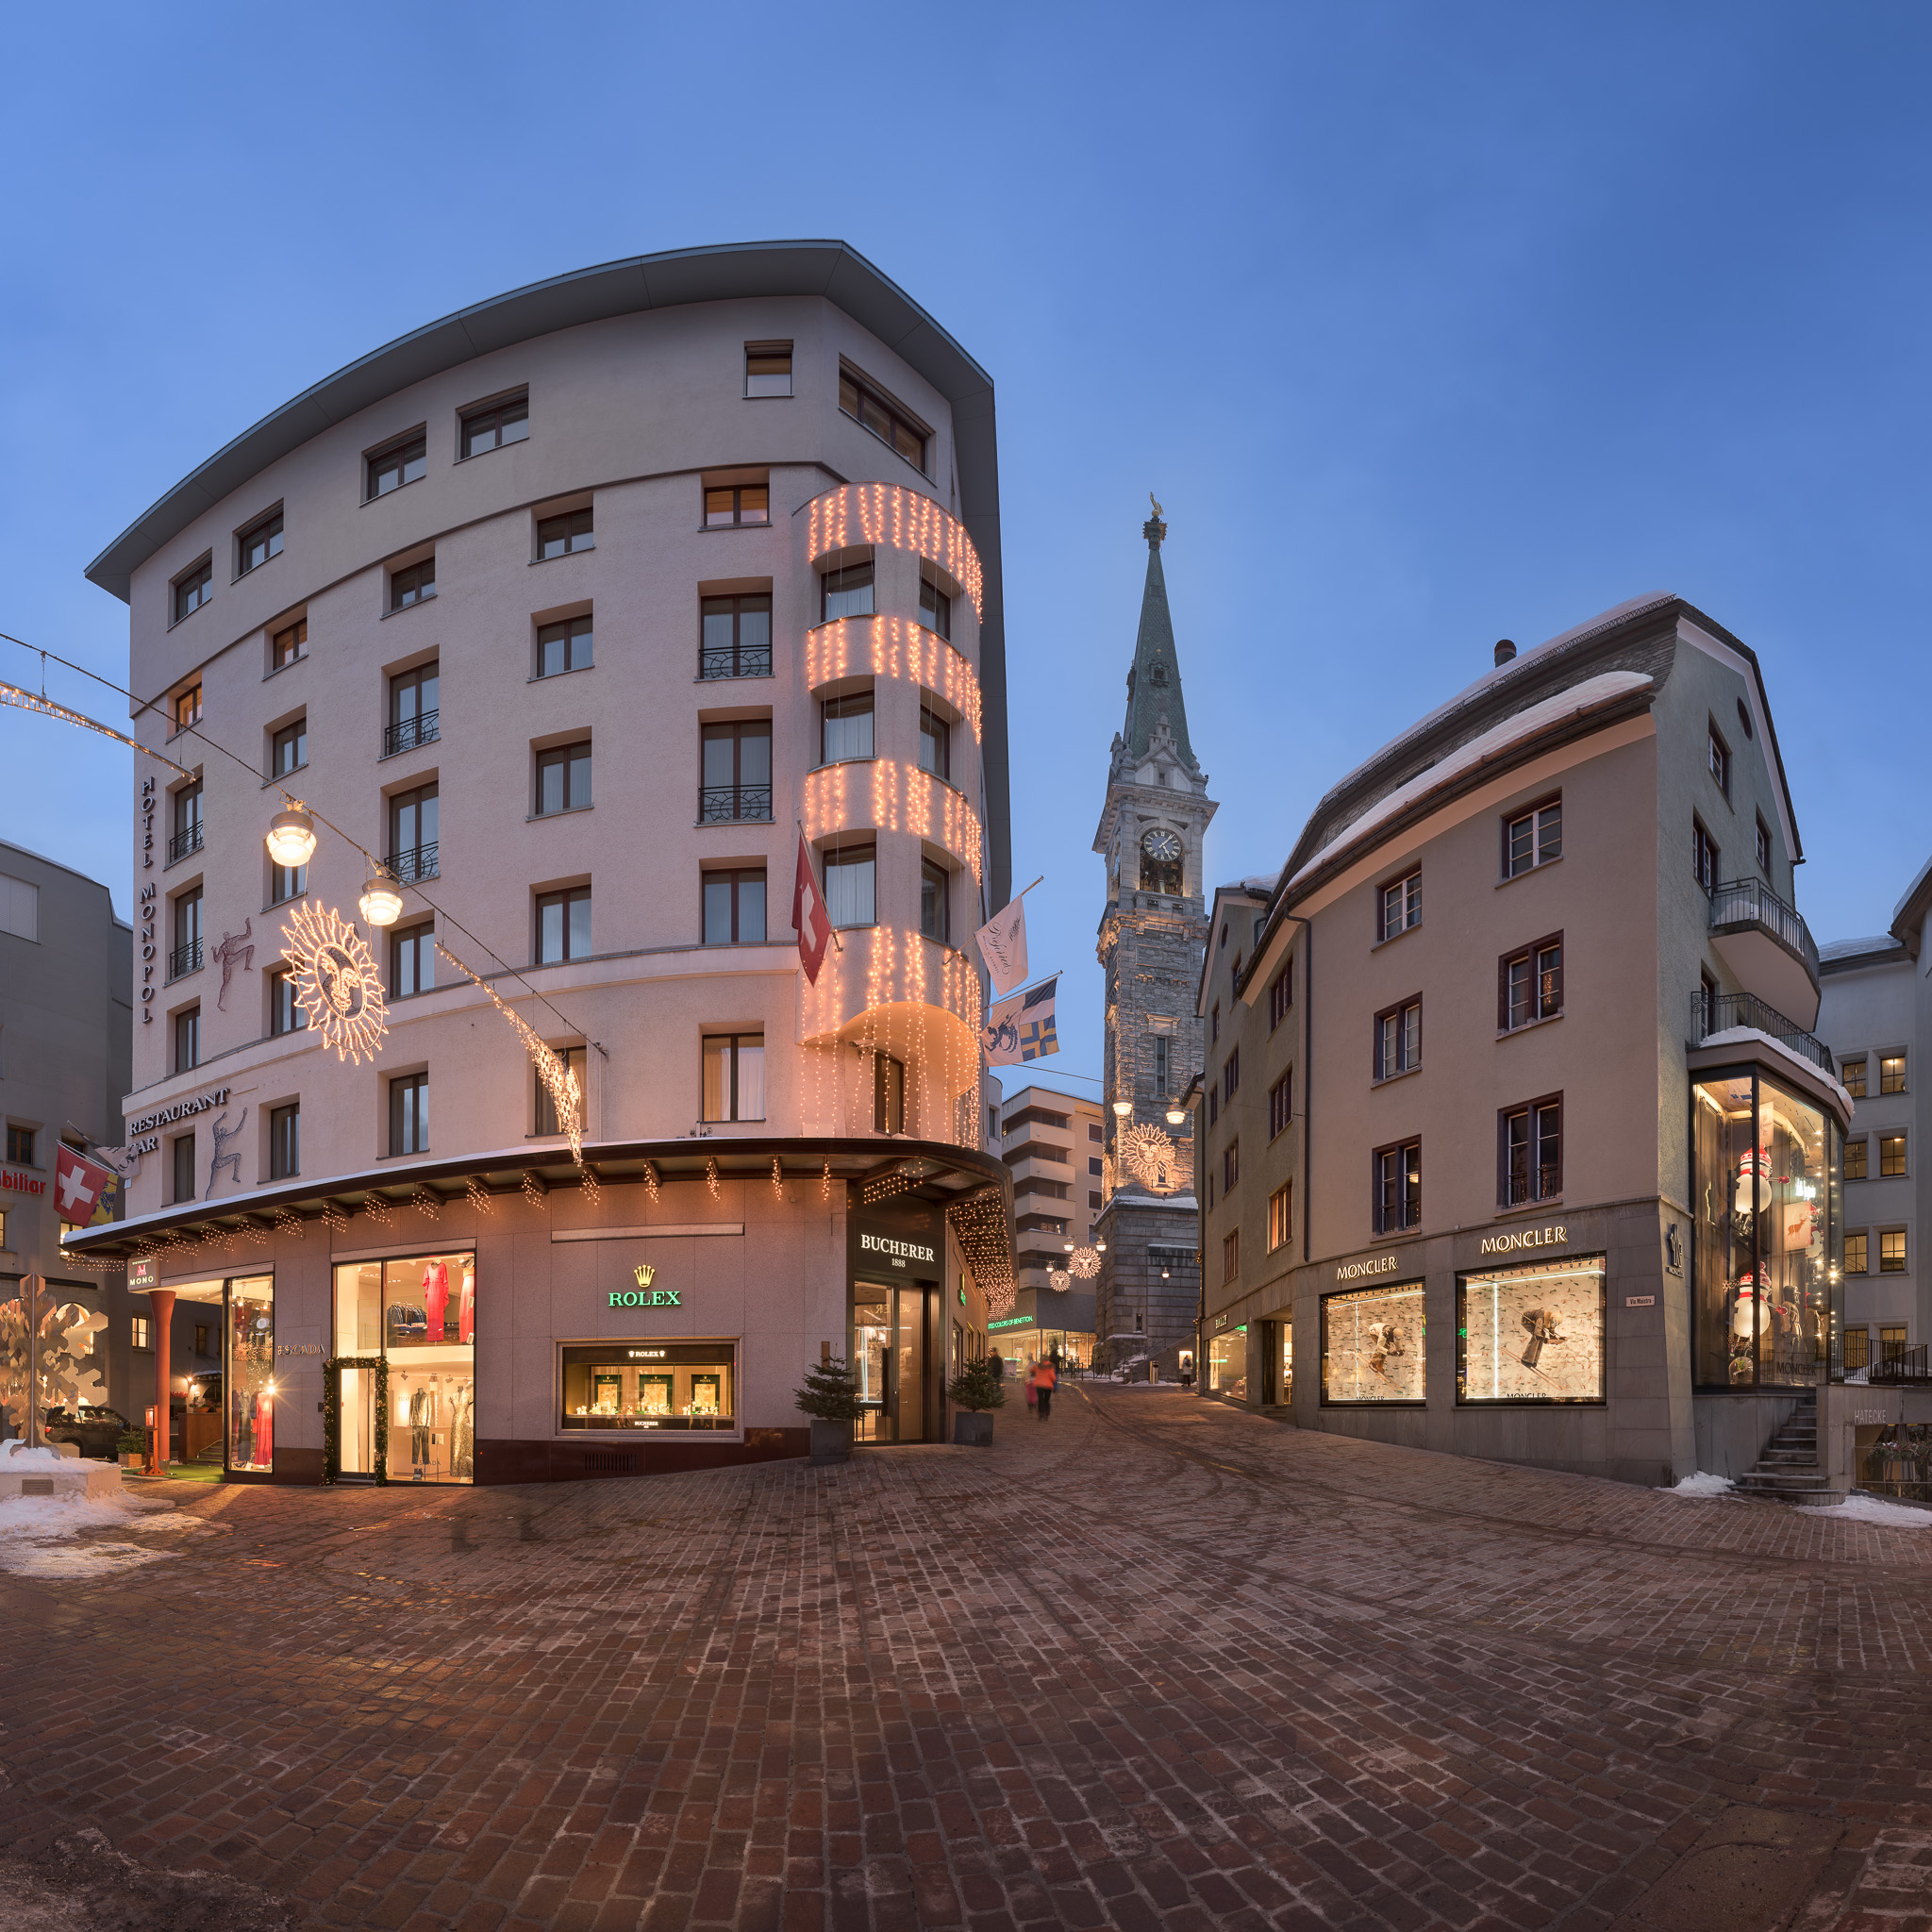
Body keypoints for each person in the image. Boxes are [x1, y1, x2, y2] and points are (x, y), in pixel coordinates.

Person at [1030, 1356, 1058, 1422]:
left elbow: (1031, 1370)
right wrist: (1053, 1381)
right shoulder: (1050, 1367)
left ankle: (1041, 1414)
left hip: (1039, 1385)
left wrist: (1034, 1373)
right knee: (1046, 1400)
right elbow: (1053, 1377)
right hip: (1048, 1386)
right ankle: (1046, 1414)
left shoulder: (1037, 1366)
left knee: (1040, 1399)